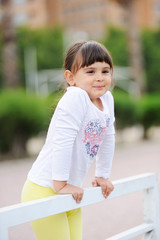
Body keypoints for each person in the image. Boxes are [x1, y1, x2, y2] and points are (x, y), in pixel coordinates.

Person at [21, 40, 115, 240]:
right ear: (71, 77)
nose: (99, 78)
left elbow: (108, 137)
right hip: (45, 189)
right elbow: (62, 142)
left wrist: (103, 175)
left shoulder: (107, 100)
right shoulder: (75, 98)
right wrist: (61, 185)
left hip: (71, 190)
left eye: (105, 71)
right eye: (90, 72)